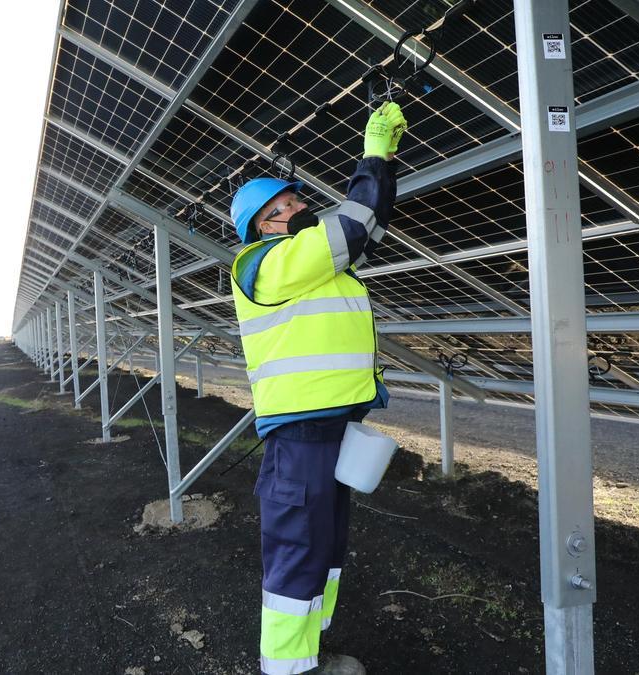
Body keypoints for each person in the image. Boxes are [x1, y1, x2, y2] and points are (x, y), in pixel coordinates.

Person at [228, 102, 406, 675]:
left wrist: (386, 167)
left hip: (336, 423)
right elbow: (354, 225)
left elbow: (367, 225)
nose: (299, 208)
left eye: (298, 198)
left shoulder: (316, 263)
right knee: (300, 544)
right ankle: (288, 669)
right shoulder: (266, 263)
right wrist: (373, 153)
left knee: (327, 543)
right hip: (301, 430)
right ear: (263, 226)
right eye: (283, 206)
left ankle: (311, 647)